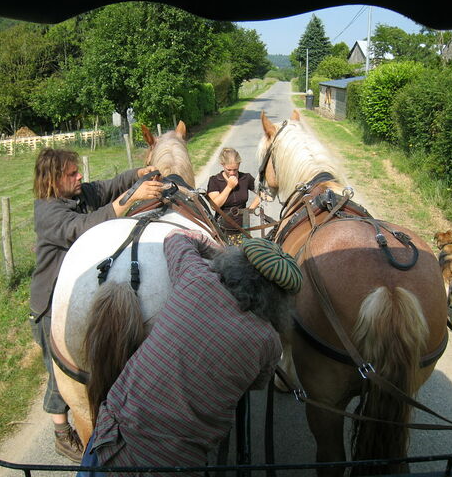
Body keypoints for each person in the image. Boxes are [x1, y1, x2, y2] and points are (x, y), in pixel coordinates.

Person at [77, 230, 302, 476]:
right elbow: (257, 384)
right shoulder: (269, 343)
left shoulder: (196, 278)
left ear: (237, 263)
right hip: (173, 466)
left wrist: (218, 250)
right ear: (280, 301)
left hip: (111, 440)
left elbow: (175, 238)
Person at [30, 147, 163, 463]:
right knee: (63, 372)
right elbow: (83, 227)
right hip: (50, 305)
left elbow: (108, 186)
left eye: (78, 171)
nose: (80, 176)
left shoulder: (79, 194)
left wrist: (136, 175)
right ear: (53, 180)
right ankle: (62, 433)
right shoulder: (48, 213)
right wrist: (130, 200)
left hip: (73, 294)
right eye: (72, 174)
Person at [207, 148, 261, 245]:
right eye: (229, 170)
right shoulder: (215, 181)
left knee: (245, 253)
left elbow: (263, 192)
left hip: (243, 228)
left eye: (235, 169)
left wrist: (251, 209)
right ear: (222, 164)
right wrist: (229, 187)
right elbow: (214, 206)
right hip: (223, 230)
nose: (232, 173)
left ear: (239, 165)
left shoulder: (246, 178)